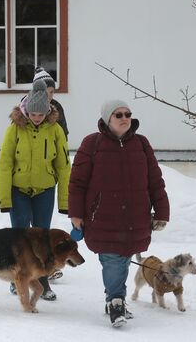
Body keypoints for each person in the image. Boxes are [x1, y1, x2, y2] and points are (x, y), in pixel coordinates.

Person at [68, 99, 170, 327]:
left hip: (135, 215)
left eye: (128, 114)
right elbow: (77, 183)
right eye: (119, 115)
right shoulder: (92, 143)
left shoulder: (141, 144)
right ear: (107, 119)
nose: (125, 118)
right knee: (112, 259)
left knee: (124, 258)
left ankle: (114, 297)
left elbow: (155, 180)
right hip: (103, 216)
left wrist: (161, 210)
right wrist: (76, 213)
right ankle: (116, 301)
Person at [0, 78, 71, 301]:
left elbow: (63, 166)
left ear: (47, 111)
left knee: (42, 237)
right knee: (19, 237)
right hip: (19, 190)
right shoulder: (15, 129)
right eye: (33, 114)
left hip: (44, 190)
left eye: (41, 115)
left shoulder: (55, 130)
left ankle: (42, 281)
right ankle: (17, 277)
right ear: (26, 111)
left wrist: (65, 202)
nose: (37, 119)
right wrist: (4, 199)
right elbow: (5, 163)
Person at [20, 67, 69, 140]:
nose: (49, 95)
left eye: (51, 92)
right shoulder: (24, 106)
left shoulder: (57, 107)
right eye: (45, 91)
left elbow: (63, 134)